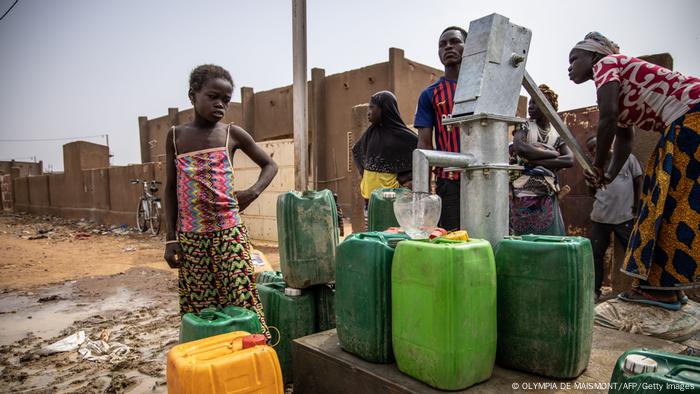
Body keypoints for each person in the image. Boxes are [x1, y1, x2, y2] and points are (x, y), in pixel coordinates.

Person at [569, 32, 700, 310]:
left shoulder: (606, 64)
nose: (569, 67)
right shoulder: (617, 79)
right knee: (673, 204)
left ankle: (661, 290)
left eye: (574, 59)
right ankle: (669, 288)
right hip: (687, 118)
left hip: (690, 117)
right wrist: (606, 177)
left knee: (665, 202)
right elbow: (625, 140)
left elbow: (607, 120)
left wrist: (597, 166)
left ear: (592, 55)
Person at [163, 64, 278, 337]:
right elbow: (170, 189)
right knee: (203, 309)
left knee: (242, 299)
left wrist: (253, 192)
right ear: (193, 96)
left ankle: (255, 357)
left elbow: (270, 165)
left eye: (226, 100)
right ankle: (212, 360)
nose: (220, 104)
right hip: (192, 238)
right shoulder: (176, 136)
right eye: (213, 97)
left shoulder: (231, 134)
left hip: (229, 234)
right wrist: (170, 238)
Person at [414, 26, 468, 231]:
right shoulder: (430, 94)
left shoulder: (484, 87)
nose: (448, 47)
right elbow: (424, 145)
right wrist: (423, 194)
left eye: (454, 42)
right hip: (449, 184)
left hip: (485, 179)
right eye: (442, 44)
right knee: (453, 239)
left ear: (468, 47)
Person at [510, 84, 573, 235]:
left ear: (547, 105)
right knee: (523, 240)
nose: (530, 107)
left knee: (549, 239)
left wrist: (534, 160)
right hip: (523, 195)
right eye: (530, 102)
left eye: (535, 103)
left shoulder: (557, 132)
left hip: (548, 194)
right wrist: (552, 154)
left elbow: (569, 160)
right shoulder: (524, 125)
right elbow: (521, 148)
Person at [586, 136, 643, 302]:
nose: (595, 151)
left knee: (632, 253)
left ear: (606, 144)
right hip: (600, 217)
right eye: (591, 150)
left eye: (597, 146)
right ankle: (595, 291)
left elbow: (639, 180)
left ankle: (641, 288)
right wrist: (591, 185)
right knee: (596, 255)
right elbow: (591, 194)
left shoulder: (627, 159)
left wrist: (637, 206)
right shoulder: (592, 168)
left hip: (624, 216)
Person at [352, 90, 418, 202]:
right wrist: (366, 177)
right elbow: (356, 150)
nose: (369, 112)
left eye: (372, 107)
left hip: (391, 199)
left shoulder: (405, 137)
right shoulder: (371, 133)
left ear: (385, 108)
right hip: (370, 199)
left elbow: (418, 160)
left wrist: (403, 182)